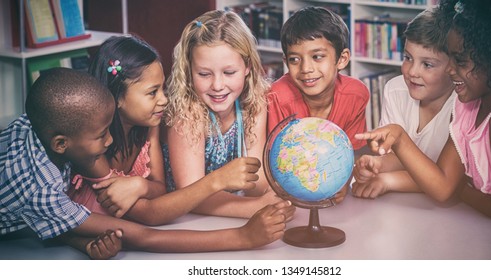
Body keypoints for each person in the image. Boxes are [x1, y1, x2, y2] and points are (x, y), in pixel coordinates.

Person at [0, 68, 291, 259]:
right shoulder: (39, 189)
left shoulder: (40, 124)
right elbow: (145, 237)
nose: (109, 142)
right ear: (61, 144)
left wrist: (83, 243)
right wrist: (243, 237)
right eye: (102, 135)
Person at [355, 0, 491, 222]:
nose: (449, 69)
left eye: (460, 61)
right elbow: (443, 186)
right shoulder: (468, 105)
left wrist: (460, 187)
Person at [163, 10, 295, 218]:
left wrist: (273, 199)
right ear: (189, 71)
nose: (217, 85)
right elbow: (190, 195)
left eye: (229, 72)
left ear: (247, 67)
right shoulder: (187, 113)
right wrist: (255, 208)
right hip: (187, 218)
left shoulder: (255, 103)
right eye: (204, 74)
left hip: (230, 210)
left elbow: (257, 180)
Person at [266, 6, 370, 203]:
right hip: (286, 197)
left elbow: (352, 151)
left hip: (331, 198)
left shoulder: (356, 95)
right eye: (295, 59)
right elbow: (275, 162)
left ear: (342, 59)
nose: (306, 68)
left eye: (317, 57)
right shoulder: (278, 96)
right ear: (285, 61)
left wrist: (344, 182)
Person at [352, 8, 456, 198]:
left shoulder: (462, 106)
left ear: (453, 67)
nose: (412, 72)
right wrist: (378, 165)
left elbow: (448, 181)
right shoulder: (395, 90)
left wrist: (389, 180)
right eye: (408, 58)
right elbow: (401, 158)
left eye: (427, 64)